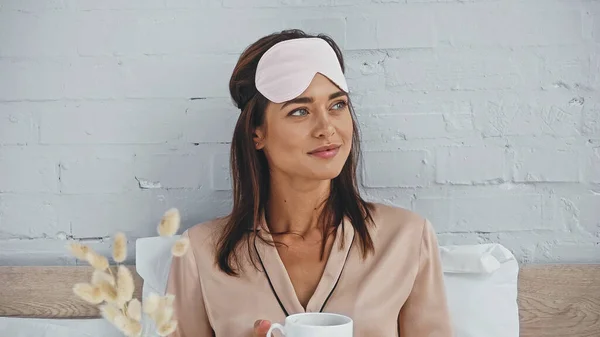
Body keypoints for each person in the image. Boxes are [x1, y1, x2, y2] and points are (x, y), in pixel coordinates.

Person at [165, 29, 453, 337]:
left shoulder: (407, 238)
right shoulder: (199, 252)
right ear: (256, 134)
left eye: (337, 105)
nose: (326, 128)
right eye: (300, 111)